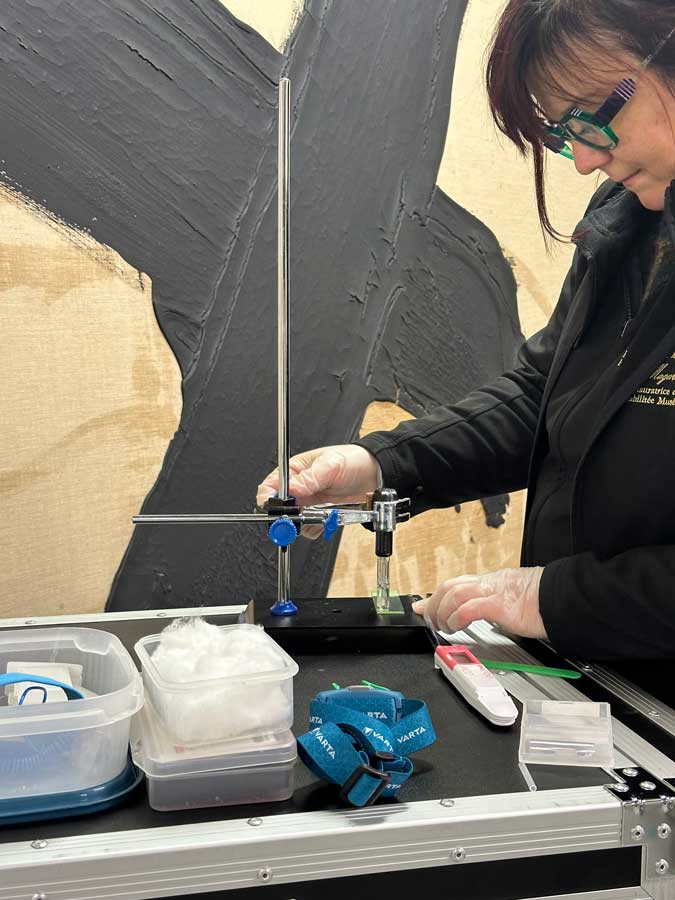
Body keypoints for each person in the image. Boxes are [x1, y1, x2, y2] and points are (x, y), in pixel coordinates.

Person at [258, 0, 675, 661]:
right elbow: (544, 398)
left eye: (594, 117)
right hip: (596, 675)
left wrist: (553, 599)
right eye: (564, 133)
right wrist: (380, 465)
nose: (583, 160)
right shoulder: (630, 221)